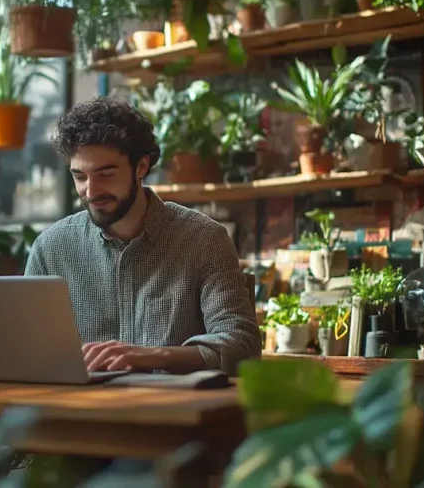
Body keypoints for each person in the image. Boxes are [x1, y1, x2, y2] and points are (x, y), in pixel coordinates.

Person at [24, 97, 261, 375]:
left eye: (106, 174)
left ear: (141, 167)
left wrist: (152, 356)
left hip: (173, 413)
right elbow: (26, 347)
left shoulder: (203, 240)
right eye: (80, 177)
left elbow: (242, 346)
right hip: (79, 411)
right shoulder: (51, 248)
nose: (91, 191)